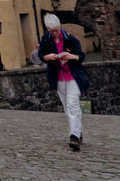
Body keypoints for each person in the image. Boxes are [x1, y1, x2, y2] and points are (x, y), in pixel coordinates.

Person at [37, 13, 89, 151]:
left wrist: (73, 56)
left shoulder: (70, 39)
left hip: (73, 76)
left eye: (56, 30)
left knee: (72, 104)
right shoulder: (46, 41)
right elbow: (41, 55)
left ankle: (74, 137)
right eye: (52, 31)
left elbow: (81, 55)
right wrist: (47, 57)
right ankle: (78, 130)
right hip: (58, 77)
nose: (55, 33)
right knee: (67, 106)